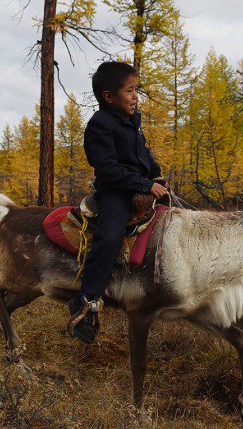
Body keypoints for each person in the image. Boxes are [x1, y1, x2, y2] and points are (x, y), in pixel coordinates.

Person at [68, 61, 167, 343]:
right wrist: (145, 184)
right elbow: (109, 168)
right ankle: (86, 301)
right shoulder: (99, 125)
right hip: (115, 191)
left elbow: (143, 152)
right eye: (130, 91)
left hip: (142, 186)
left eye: (137, 90)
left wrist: (156, 173)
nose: (136, 96)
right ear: (109, 97)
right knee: (109, 237)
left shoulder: (133, 120)